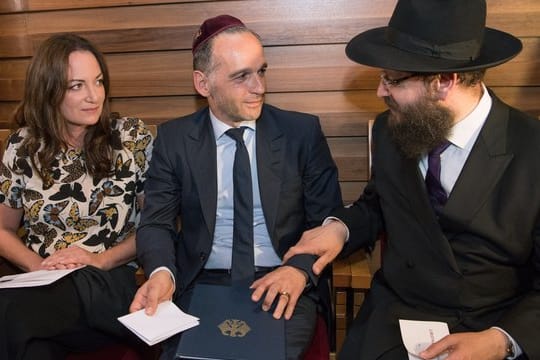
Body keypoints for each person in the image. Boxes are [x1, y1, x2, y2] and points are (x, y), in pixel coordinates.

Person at [283, 0, 540, 359]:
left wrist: (501, 340)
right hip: (396, 315)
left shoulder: (532, 151)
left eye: (392, 79)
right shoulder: (391, 129)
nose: (380, 91)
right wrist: (339, 228)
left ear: (444, 82)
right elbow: (378, 205)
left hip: (491, 326)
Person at [129, 15, 342, 359]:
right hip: (200, 281)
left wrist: (300, 270)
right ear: (203, 83)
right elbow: (156, 222)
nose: (258, 86)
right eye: (242, 76)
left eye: (261, 71)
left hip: (282, 277)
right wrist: (161, 273)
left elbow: (328, 220)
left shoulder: (300, 134)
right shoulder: (175, 139)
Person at [0, 33, 153, 359]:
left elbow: (156, 228)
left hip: (108, 281)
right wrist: (39, 266)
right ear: (48, 90)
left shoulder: (130, 137)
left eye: (98, 82)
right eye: (77, 86)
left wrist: (96, 260)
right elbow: (2, 230)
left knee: (10, 315)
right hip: (41, 288)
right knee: (30, 346)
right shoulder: (22, 146)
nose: (93, 96)